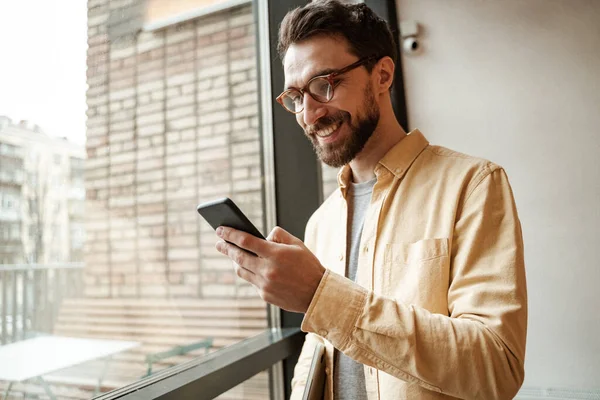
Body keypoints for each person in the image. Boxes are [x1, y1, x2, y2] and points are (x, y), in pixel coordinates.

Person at [214, 1, 527, 399]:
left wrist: (319, 295)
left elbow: (496, 367)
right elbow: (318, 361)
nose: (309, 114)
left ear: (382, 74)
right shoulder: (321, 223)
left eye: (325, 84)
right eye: (295, 96)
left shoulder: (473, 185)